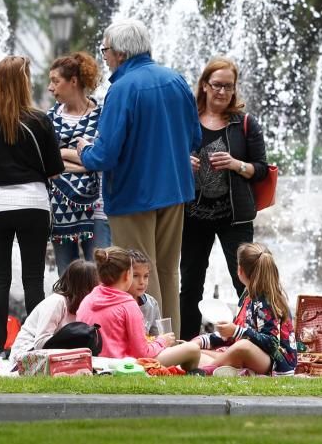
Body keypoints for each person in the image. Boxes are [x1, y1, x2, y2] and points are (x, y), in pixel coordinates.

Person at [76, 19, 200, 337]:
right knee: (168, 271)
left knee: (139, 273)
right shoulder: (176, 80)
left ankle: (153, 346)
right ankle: (173, 344)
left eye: (105, 50)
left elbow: (105, 155)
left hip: (133, 195)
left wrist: (84, 149)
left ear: (119, 53)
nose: (103, 57)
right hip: (174, 190)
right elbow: (194, 137)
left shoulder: (122, 89)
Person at [0, 55, 64, 351]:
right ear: (24, 83)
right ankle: (33, 346)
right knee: (33, 278)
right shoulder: (39, 120)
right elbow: (54, 170)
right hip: (32, 204)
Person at [180, 57, 270, 338]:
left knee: (244, 281)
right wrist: (183, 162)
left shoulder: (243, 124)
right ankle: (187, 343)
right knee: (191, 283)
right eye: (217, 85)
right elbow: (165, 158)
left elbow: (262, 169)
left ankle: (255, 338)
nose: (222, 92)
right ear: (204, 85)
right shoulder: (187, 120)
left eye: (228, 87)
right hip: (193, 215)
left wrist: (235, 164)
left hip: (234, 216)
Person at [76, 246, 202, 371]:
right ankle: (191, 373)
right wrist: (162, 341)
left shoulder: (87, 299)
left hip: (93, 364)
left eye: (146, 276)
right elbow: (142, 353)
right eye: (134, 274)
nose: (141, 281)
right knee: (193, 349)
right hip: (123, 367)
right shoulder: (128, 304)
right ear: (127, 275)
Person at [192, 242, 297, 376]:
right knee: (198, 352)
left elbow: (272, 343)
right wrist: (202, 341)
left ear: (240, 270)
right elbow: (236, 332)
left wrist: (236, 331)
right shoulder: (247, 295)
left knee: (243, 347)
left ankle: (204, 371)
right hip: (257, 358)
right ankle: (221, 369)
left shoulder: (266, 301)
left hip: (276, 364)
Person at [46, 51, 109, 274]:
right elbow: (46, 161)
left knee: (101, 273)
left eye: (55, 81)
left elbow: (102, 158)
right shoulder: (50, 117)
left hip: (97, 207)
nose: (50, 87)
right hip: (59, 209)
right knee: (67, 277)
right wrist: (84, 160)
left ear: (73, 82)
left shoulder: (103, 114)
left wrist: (60, 153)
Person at [8, 260, 98, 362]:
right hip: (26, 355)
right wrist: (69, 341)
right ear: (85, 288)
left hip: (56, 355)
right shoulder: (57, 302)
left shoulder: (84, 306)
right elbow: (40, 343)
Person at [128, 249, 161, 336]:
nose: (142, 282)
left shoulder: (152, 303)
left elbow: (157, 335)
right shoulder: (118, 305)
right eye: (135, 276)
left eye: (146, 276)